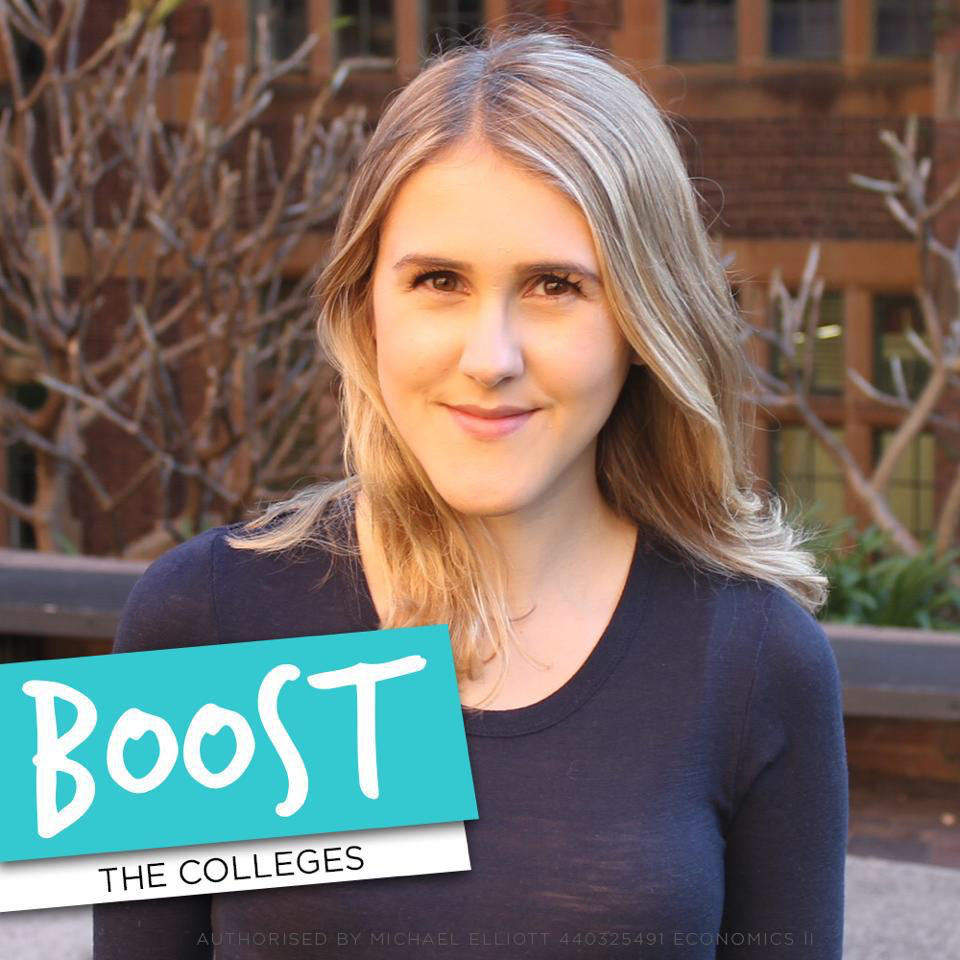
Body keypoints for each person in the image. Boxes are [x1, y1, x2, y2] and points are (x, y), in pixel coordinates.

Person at [93, 24, 848, 960]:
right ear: (366, 305)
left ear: (645, 319)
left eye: (555, 285)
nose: (491, 358)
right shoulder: (206, 619)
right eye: (439, 280)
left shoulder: (755, 659)